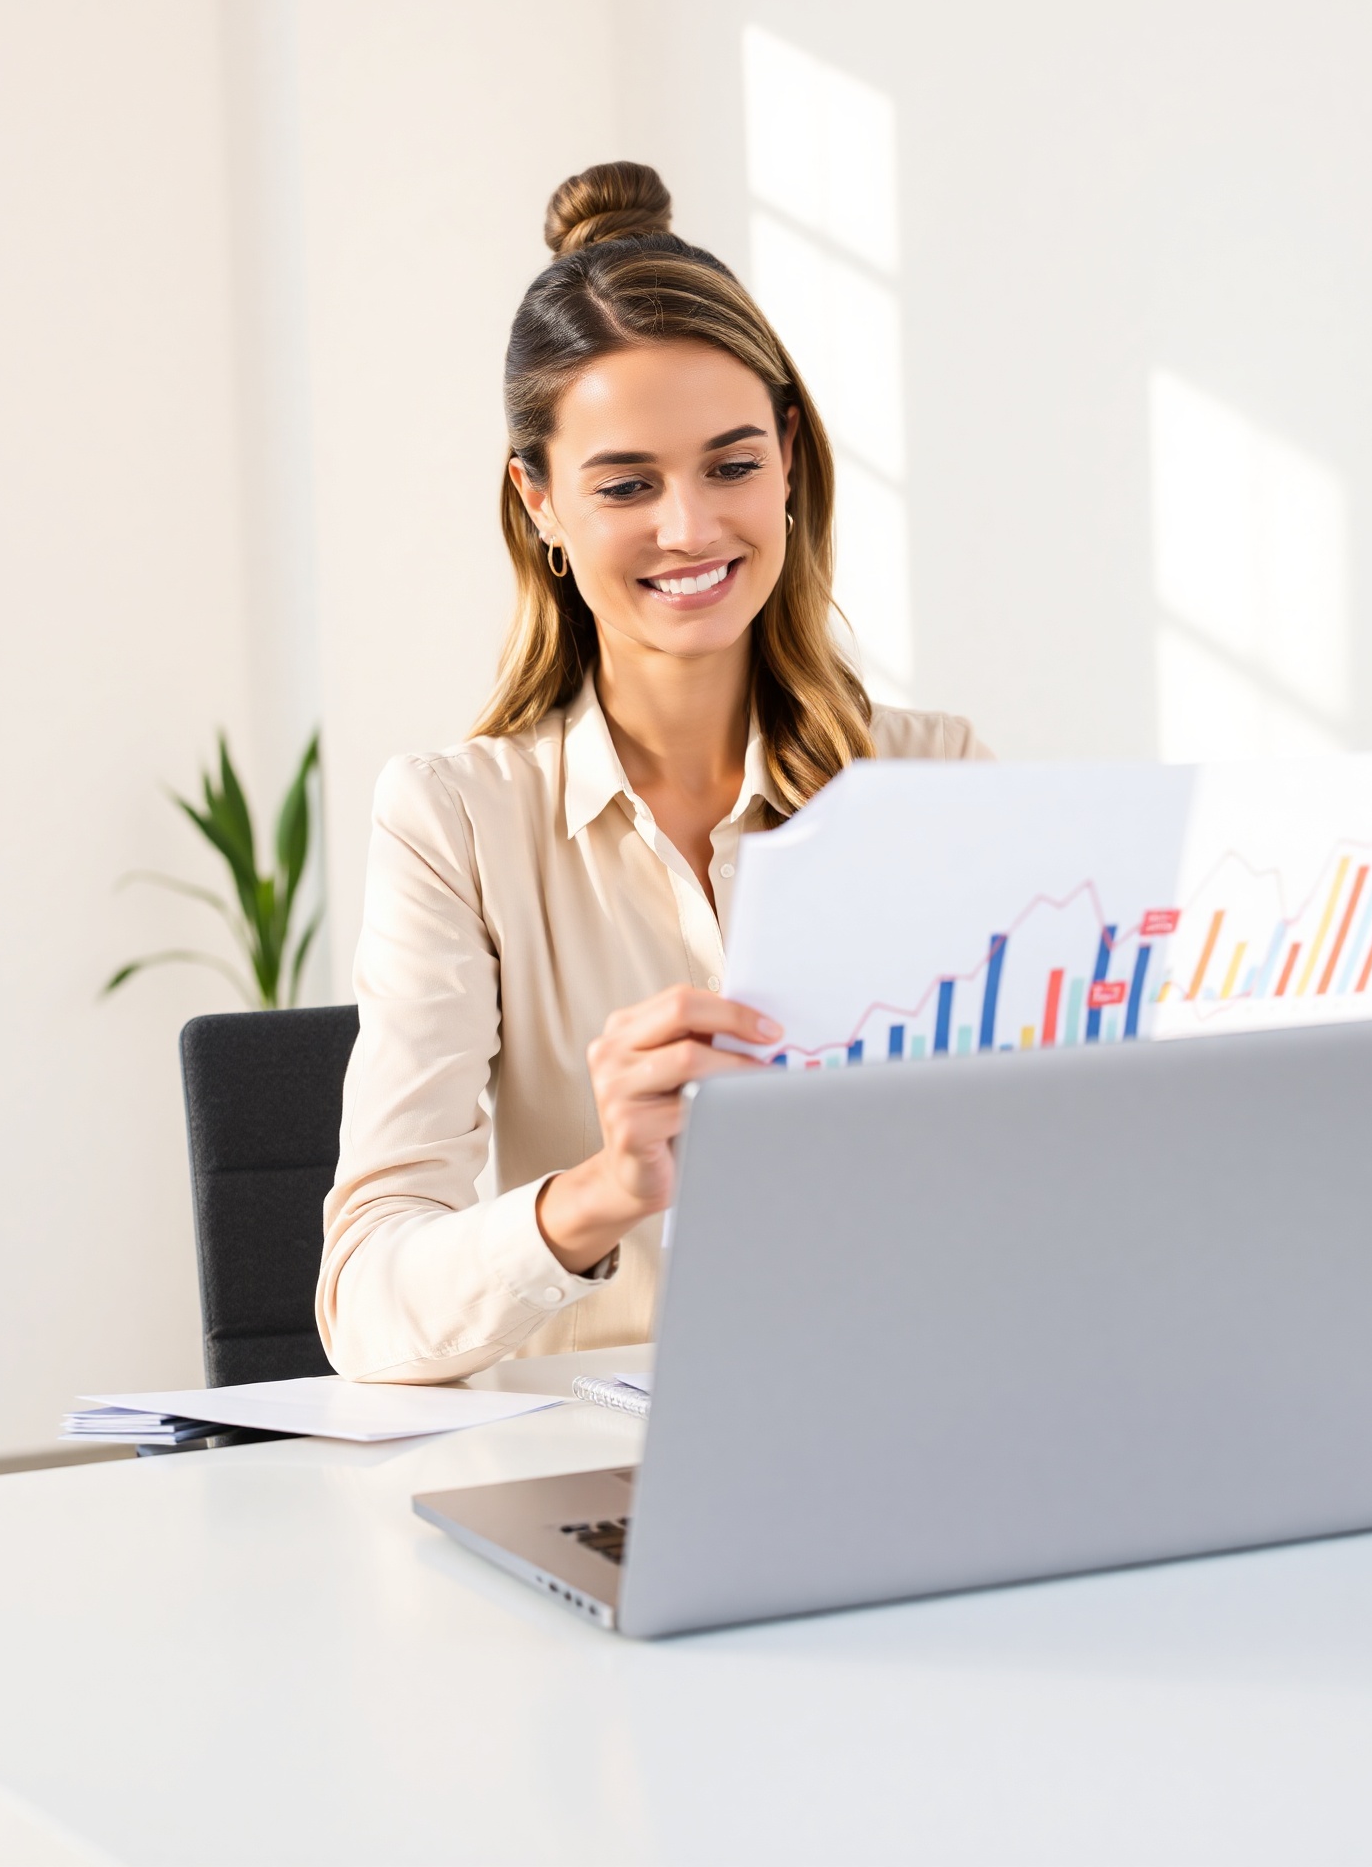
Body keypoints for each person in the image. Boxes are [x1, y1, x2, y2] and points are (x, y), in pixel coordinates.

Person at [318, 162, 990, 1382]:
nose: (688, 528)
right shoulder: (455, 822)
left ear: (788, 458)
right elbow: (365, 1304)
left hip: (902, 1408)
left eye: (730, 465)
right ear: (538, 501)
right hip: (603, 1456)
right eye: (627, 484)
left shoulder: (933, 780)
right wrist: (603, 1190)